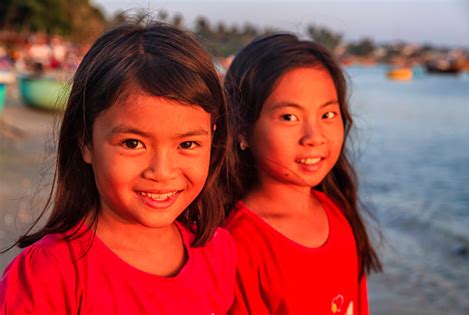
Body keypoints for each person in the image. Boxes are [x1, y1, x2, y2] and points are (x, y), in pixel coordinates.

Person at [0, 21, 236, 314]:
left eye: (187, 145)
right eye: (133, 143)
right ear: (86, 141)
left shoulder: (218, 251)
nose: (162, 171)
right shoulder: (47, 275)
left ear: (213, 138)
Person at [224, 33, 382, 314]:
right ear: (242, 131)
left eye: (328, 115)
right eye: (289, 117)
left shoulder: (338, 215)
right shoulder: (241, 245)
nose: (314, 136)